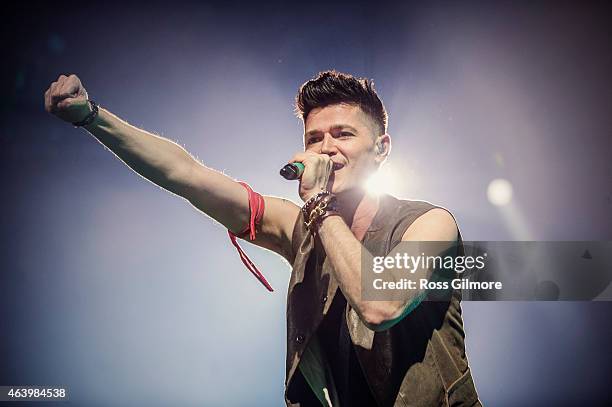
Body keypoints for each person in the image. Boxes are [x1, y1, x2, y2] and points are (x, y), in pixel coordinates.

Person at [44, 70, 481, 406]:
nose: (326, 149)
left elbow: (379, 303)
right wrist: (92, 116)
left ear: (382, 148)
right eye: (314, 138)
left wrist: (317, 206)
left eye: (343, 134)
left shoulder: (430, 224)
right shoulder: (300, 228)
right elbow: (187, 176)